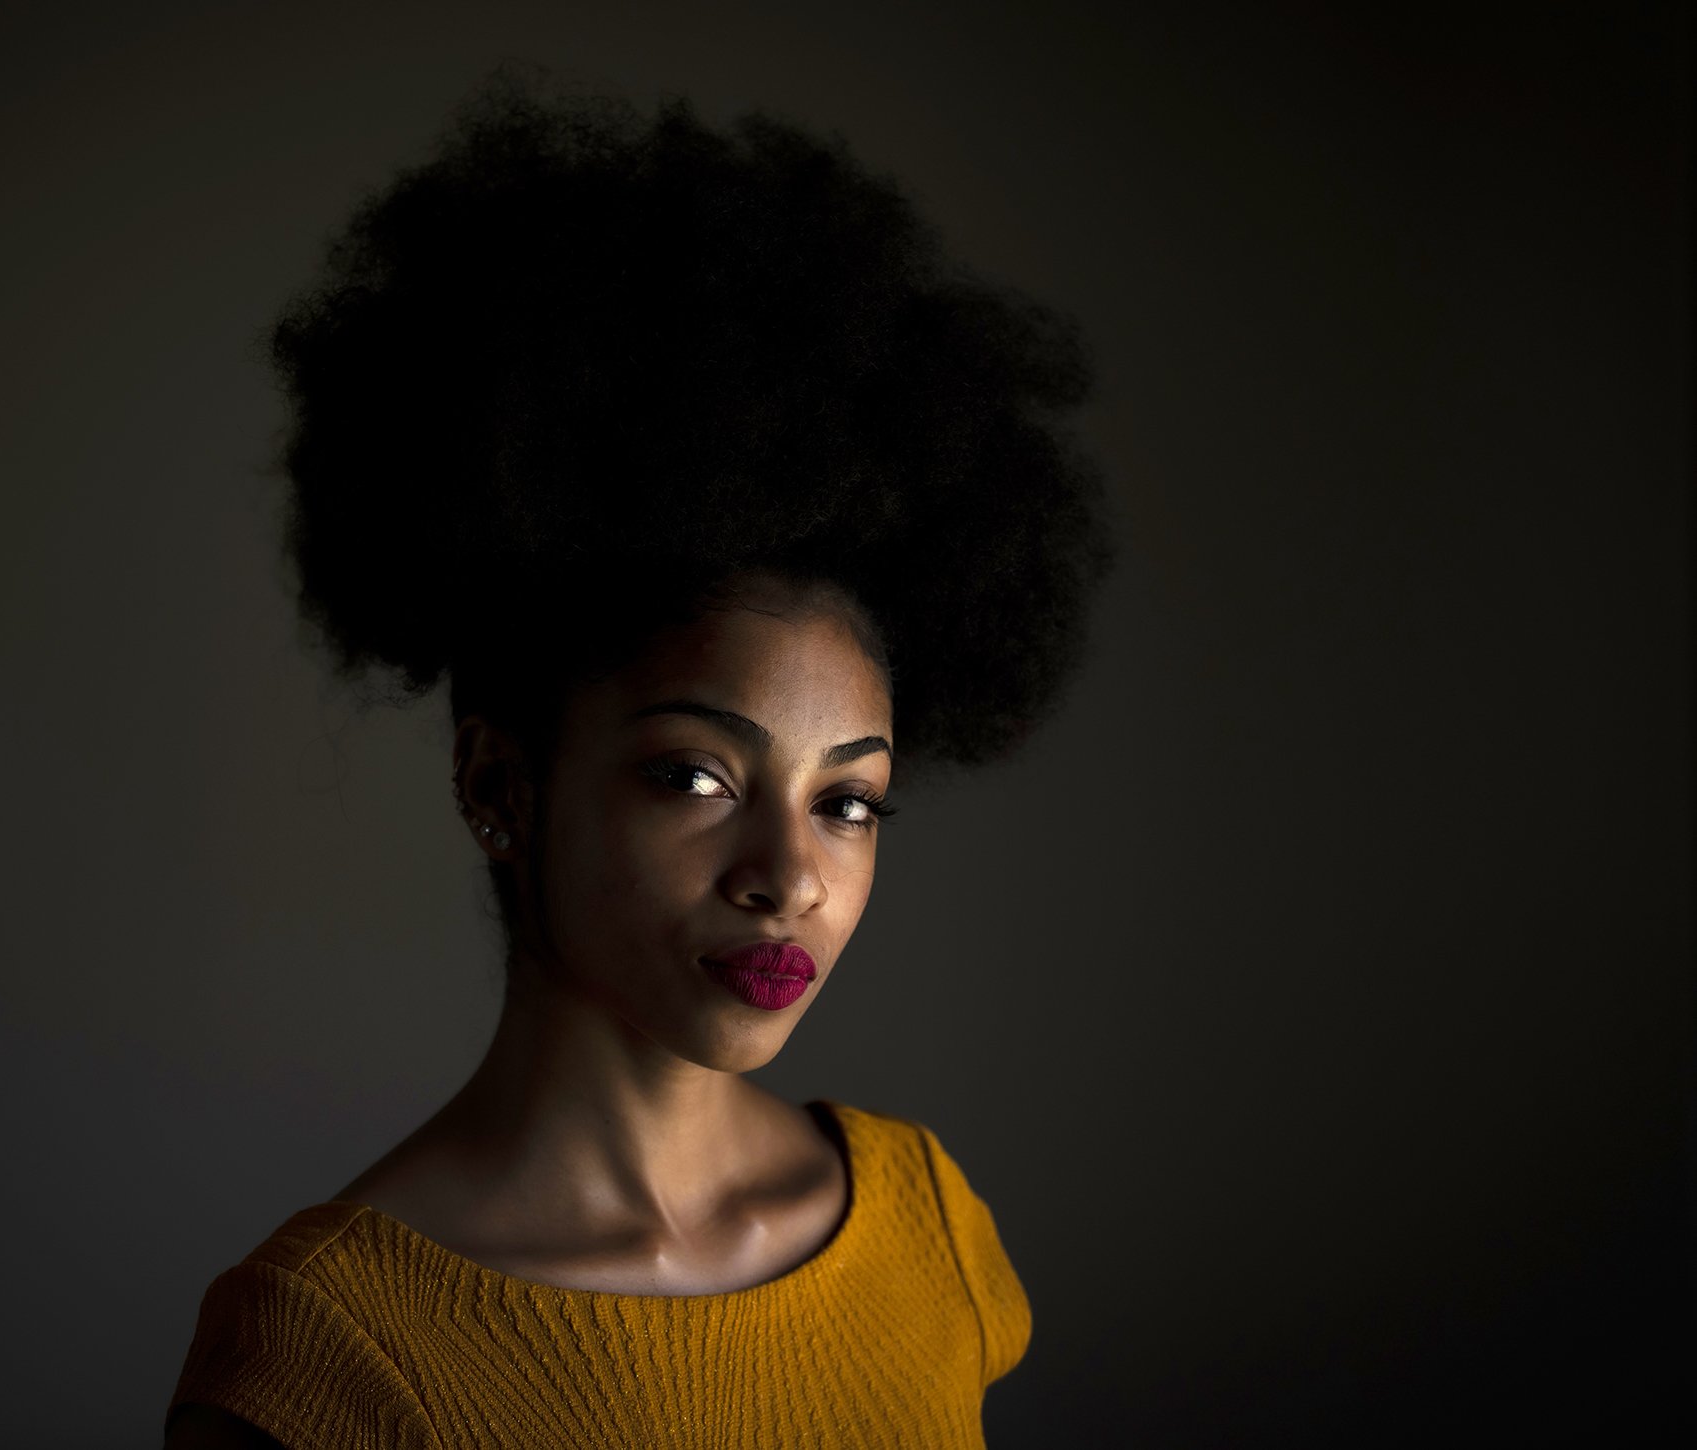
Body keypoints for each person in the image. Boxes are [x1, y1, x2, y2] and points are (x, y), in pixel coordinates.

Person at [165, 67, 1113, 1449]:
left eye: (847, 799)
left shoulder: (931, 1231)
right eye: (697, 777)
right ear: (500, 784)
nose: (789, 874)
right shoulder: (323, 1354)